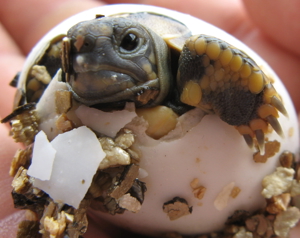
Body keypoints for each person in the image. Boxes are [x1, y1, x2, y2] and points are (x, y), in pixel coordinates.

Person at [0, 0, 300, 237]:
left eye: (129, 44)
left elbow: (232, 74)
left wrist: (253, 112)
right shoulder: (58, 92)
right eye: (75, 53)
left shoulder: (196, 64)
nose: (91, 59)